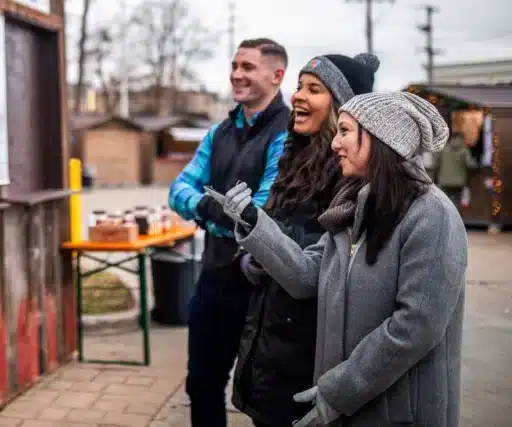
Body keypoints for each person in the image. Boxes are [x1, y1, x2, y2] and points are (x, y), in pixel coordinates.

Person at [211, 91, 467, 427]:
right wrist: (252, 221)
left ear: (380, 138)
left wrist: (340, 391)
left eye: (345, 131)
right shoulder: (351, 210)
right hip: (348, 408)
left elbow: (416, 327)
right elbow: (304, 277)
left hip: (399, 414)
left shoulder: (431, 215)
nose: (334, 144)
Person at [232, 53, 379, 427]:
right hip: (270, 336)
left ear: (343, 108)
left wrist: (266, 243)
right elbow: (275, 227)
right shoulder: (293, 158)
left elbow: (321, 261)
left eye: (314, 89)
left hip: (308, 349)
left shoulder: (350, 174)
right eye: (299, 86)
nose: (297, 96)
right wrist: (250, 255)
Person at [168, 38, 290, 427]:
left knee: (259, 396)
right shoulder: (219, 132)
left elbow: (260, 213)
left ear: (277, 75)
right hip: (213, 277)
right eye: (235, 65)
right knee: (201, 384)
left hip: (260, 286)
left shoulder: (287, 133)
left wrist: (210, 210)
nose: (236, 74)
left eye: (248, 67)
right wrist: (212, 208)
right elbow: (178, 190)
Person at [435, 131, 477, 208]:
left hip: (444, 181)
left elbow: (436, 164)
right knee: (456, 203)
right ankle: (455, 217)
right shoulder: (464, 150)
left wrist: (436, 178)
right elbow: (470, 165)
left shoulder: (443, 149)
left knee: (444, 203)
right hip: (459, 182)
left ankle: (445, 218)